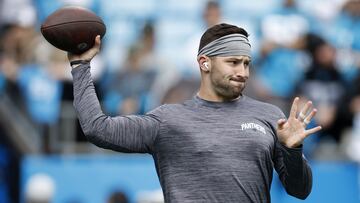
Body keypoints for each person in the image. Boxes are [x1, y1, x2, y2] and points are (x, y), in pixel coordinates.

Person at [68, 23, 321, 202]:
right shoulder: (168, 120)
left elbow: (300, 190)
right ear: (205, 62)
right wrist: (81, 66)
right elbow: (96, 128)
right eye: (233, 62)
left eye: (246, 63)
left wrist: (292, 150)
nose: (243, 72)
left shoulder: (269, 115)